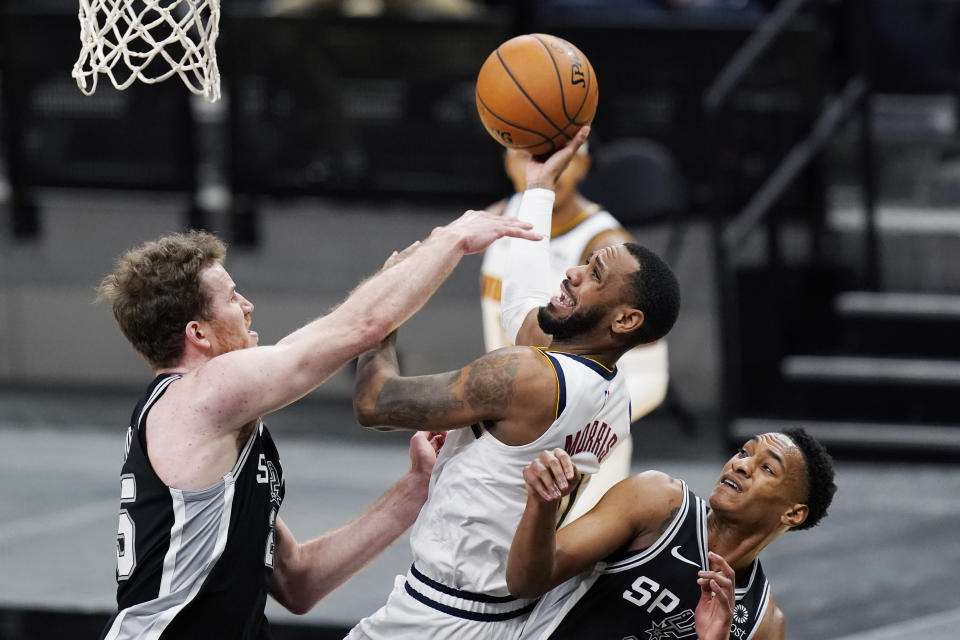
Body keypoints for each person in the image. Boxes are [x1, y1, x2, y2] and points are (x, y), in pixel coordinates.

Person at [95, 208, 541, 639]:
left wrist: (417, 487)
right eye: (232, 297)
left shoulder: (212, 427)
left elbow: (300, 583)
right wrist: (452, 238)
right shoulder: (203, 392)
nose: (248, 306)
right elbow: (358, 324)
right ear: (198, 334)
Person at [345, 127, 682, 639]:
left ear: (626, 320)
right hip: (502, 618)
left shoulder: (524, 377)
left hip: (440, 619)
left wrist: (382, 313)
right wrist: (539, 187)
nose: (570, 273)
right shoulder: (610, 393)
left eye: (593, 274)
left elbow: (375, 402)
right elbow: (522, 306)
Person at [480, 142, 670, 523]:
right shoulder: (496, 219)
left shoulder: (607, 247)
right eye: (532, 156)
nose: (550, 169)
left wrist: (576, 412)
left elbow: (653, 375)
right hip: (513, 426)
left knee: (574, 568)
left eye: (561, 159)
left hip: (581, 440)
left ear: (582, 165)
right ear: (508, 162)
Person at [508, 427, 837, 640]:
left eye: (766, 468)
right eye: (743, 452)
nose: (740, 465)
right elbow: (527, 581)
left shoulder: (763, 624)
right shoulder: (656, 503)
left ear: (793, 513)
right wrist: (543, 505)